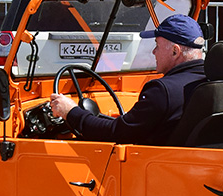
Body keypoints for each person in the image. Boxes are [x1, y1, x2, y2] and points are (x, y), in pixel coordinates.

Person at [49, 14, 206, 145]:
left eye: (157, 45)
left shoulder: (162, 91)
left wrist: (71, 112)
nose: (154, 51)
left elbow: (117, 133)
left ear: (174, 51)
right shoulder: (210, 81)